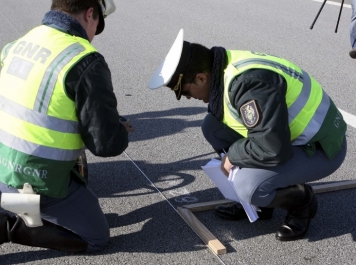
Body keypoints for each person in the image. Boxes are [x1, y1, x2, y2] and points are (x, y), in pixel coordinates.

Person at [148, 29, 347, 241]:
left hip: (321, 147)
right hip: (289, 139)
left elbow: (272, 148)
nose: (187, 98)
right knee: (212, 126)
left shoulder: (248, 85)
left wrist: (233, 155)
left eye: (185, 92)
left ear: (200, 78)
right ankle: (262, 206)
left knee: (248, 185)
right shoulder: (226, 68)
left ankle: (302, 202)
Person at [0, 0, 134, 263]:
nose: (94, 34)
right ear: (90, 13)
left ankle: (44, 208)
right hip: (31, 173)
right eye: (97, 25)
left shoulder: (25, 39)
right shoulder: (85, 59)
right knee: (97, 237)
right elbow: (106, 145)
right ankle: (4, 228)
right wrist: (118, 129)